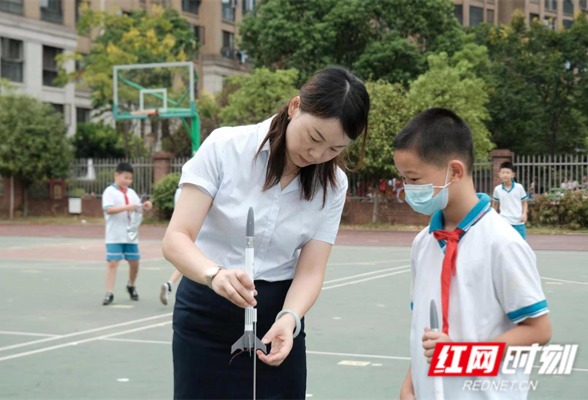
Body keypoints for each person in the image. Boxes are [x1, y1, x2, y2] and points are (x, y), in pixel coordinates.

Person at [162, 67, 370, 399]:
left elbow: (312, 269)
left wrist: (290, 318)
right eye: (314, 138)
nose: (317, 155)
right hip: (207, 308)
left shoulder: (334, 185)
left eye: (334, 149)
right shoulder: (225, 147)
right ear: (294, 107)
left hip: (277, 318)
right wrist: (214, 274)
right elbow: (176, 238)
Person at [394, 108, 551, 400]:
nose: (407, 189)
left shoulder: (502, 243)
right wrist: (411, 380)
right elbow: (424, 328)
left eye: (414, 179)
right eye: (403, 178)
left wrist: (460, 357)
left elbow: (538, 330)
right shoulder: (423, 243)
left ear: (454, 171)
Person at [101, 162, 153, 305]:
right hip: (114, 235)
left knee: (135, 262)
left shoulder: (131, 193)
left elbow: (138, 209)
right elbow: (109, 210)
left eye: (130, 179)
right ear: (116, 175)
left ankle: (131, 285)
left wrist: (145, 207)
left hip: (131, 235)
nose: (128, 181)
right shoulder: (109, 192)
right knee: (113, 263)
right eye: (125, 177)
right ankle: (109, 292)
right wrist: (127, 207)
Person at [492, 162, 528, 239]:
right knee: (504, 243)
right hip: (504, 221)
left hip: (518, 221)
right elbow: (495, 204)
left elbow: (524, 202)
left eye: (508, 173)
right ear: (499, 174)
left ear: (512, 175)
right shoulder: (497, 189)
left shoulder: (519, 187)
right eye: (503, 173)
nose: (505, 175)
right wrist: (493, 216)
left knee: (521, 243)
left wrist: (524, 214)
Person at [160, 187, 184, 306]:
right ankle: (170, 283)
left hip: (182, 230)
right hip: (193, 231)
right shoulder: (191, 189)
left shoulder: (179, 190)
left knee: (187, 263)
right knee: (191, 263)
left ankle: (170, 283)